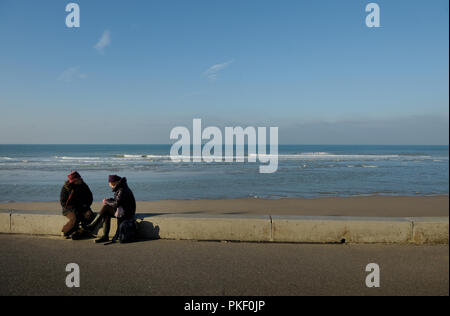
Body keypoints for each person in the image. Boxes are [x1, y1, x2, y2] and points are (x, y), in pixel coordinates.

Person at [86, 175, 136, 244]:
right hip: (123, 210)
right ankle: (105, 236)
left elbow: (117, 203)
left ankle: (93, 225)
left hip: (127, 212)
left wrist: (106, 201)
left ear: (113, 183)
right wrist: (109, 200)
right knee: (106, 212)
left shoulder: (122, 189)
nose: (109, 184)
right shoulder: (121, 187)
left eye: (109, 183)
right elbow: (119, 200)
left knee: (106, 207)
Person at [60, 171, 95, 239]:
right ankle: (65, 231)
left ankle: (80, 231)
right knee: (75, 218)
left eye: (79, 179)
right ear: (73, 181)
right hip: (68, 209)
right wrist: (73, 209)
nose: (80, 181)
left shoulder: (84, 186)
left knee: (89, 215)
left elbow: (90, 197)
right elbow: (63, 202)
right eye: (77, 180)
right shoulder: (66, 188)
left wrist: (86, 206)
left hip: (82, 207)